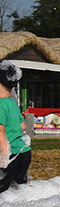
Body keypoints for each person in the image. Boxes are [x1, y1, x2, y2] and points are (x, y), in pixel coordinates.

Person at [0, 61, 32, 192]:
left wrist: (3, 155)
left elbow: (0, 131)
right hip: (24, 152)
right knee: (19, 189)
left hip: (10, 155)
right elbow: (23, 126)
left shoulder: (0, 105)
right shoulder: (12, 103)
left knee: (4, 189)